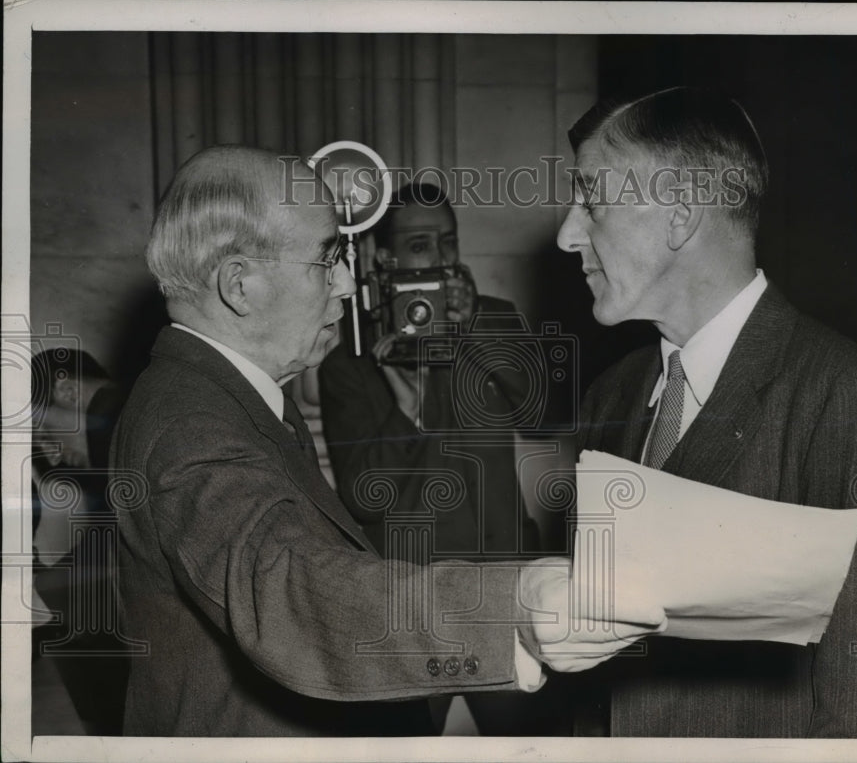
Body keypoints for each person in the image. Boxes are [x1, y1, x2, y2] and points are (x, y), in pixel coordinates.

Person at [111, 145, 660, 737]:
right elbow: (292, 588)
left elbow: (548, 413)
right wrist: (517, 606)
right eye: (326, 259)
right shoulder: (191, 422)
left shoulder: (228, 395)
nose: (347, 284)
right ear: (239, 287)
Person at [556, 87, 857, 737]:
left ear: (679, 214)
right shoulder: (611, 397)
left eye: (592, 201)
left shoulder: (836, 393)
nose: (567, 234)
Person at [319, 182, 553, 734]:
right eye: (422, 244)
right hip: (412, 606)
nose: (443, 259)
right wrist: (407, 408)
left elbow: (543, 416)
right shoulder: (351, 358)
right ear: (385, 258)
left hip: (504, 595)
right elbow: (360, 494)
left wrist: (473, 331)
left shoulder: (494, 318)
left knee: (530, 746)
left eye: (448, 242)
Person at [30, 349, 129, 734]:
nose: (49, 448)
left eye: (44, 429)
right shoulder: (125, 411)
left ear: (68, 391)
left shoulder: (121, 421)